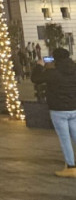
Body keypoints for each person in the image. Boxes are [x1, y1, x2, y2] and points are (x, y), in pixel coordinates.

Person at [31, 48, 76, 178]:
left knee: (65, 139)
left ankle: (71, 167)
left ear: (55, 59)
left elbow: (35, 79)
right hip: (74, 108)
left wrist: (39, 66)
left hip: (58, 110)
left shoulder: (52, 73)